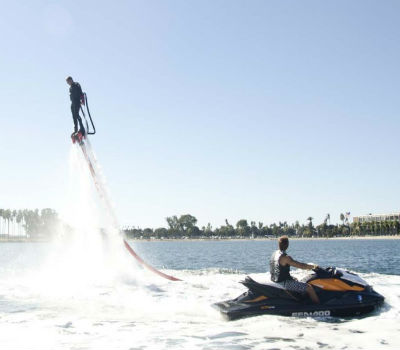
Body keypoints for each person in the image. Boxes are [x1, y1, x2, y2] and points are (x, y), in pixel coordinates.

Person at [270, 235, 320, 304]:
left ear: (279, 244)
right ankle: (318, 307)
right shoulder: (286, 258)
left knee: (297, 279)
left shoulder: (275, 253)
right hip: (284, 283)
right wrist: (313, 267)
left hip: (275, 280)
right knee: (309, 288)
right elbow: (300, 265)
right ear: (287, 245)